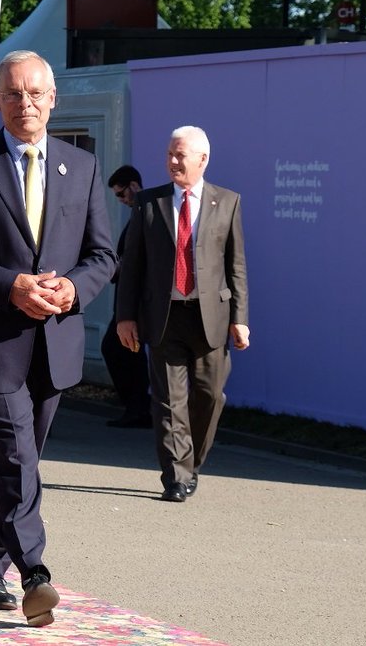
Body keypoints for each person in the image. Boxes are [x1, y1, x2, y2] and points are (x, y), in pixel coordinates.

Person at [0, 50, 115, 627]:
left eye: (36, 93)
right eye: (14, 93)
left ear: (53, 98)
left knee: (20, 461)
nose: (26, 103)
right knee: (14, 454)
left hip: (54, 342)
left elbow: (102, 254)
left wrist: (72, 291)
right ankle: (33, 571)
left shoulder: (79, 167)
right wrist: (11, 285)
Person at [116, 126, 249, 503]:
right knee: (167, 401)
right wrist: (125, 316)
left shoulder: (227, 202)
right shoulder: (149, 203)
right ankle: (175, 475)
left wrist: (241, 318)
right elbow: (133, 266)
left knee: (209, 396)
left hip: (211, 318)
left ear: (202, 160)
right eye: (170, 154)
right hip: (163, 316)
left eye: (181, 155)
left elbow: (235, 265)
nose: (173, 161)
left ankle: (192, 463)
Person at [102, 164, 152, 428]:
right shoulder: (139, 213)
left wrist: (117, 268)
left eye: (122, 194)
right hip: (128, 301)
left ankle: (139, 408)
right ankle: (137, 407)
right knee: (126, 352)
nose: (121, 200)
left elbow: (140, 259)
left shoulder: (147, 212)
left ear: (134, 186)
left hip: (136, 303)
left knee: (119, 350)